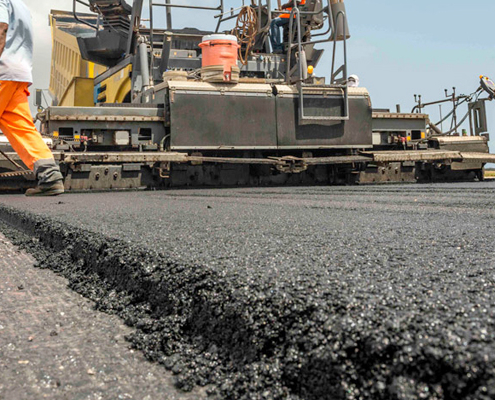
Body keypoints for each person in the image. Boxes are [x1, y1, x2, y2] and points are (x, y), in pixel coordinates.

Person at [0, 0, 64, 196]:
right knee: (21, 126)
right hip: (19, 74)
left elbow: (1, 29)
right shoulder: (21, 6)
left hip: (3, 71)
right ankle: (50, 175)